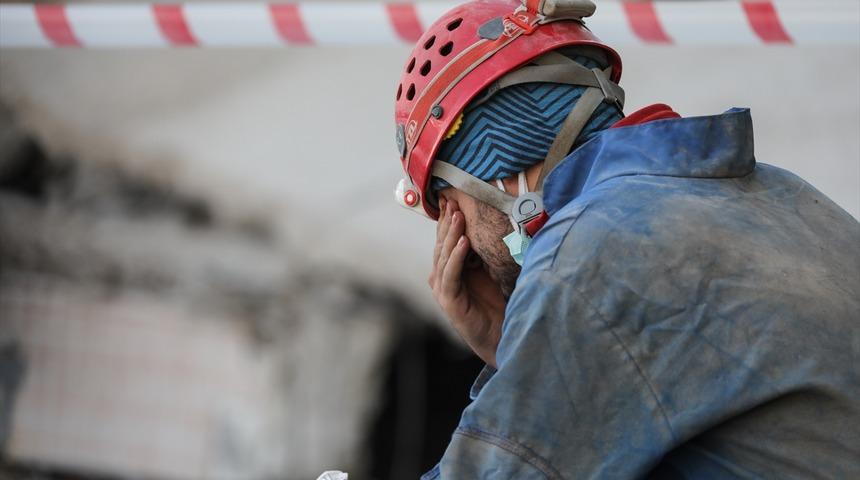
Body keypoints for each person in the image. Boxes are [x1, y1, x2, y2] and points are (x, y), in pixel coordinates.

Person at [392, 0, 860, 478]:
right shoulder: (783, 194)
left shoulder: (591, 251)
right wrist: (512, 348)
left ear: (496, 174)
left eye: (450, 205)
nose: (461, 241)